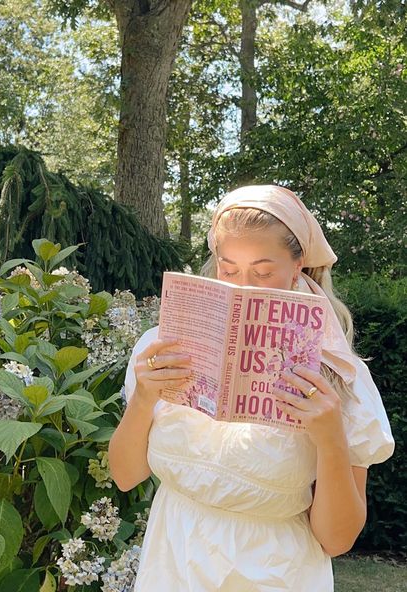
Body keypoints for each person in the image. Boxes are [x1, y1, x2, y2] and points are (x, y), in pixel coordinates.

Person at [108, 185, 395, 592]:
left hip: (276, 572)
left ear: (297, 267)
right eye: (228, 269)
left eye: (263, 272)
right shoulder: (164, 347)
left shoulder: (340, 378)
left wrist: (331, 438)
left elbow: (337, 539)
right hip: (173, 560)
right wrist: (143, 398)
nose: (244, 285)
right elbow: (124, 475)